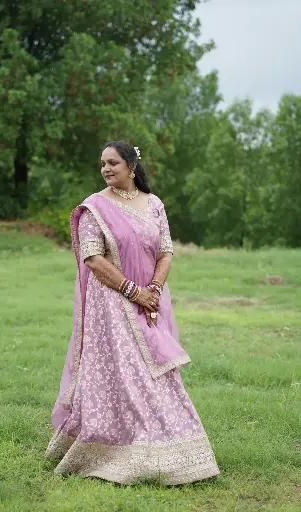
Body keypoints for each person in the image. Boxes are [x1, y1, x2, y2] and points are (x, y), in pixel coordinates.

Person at [45, 141, 220, 485]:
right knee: (128, 376)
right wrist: (132, 291)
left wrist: (152, 290)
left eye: (113, 163)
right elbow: (93, 259)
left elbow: (166, 251)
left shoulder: (154, 204)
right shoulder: (94, 207)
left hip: (151, 303)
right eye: (102, 164)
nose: (106, 169)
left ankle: (173, 450)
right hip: (111, 304)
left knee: (158, 375)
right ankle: (114, 449)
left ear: (131, 166)